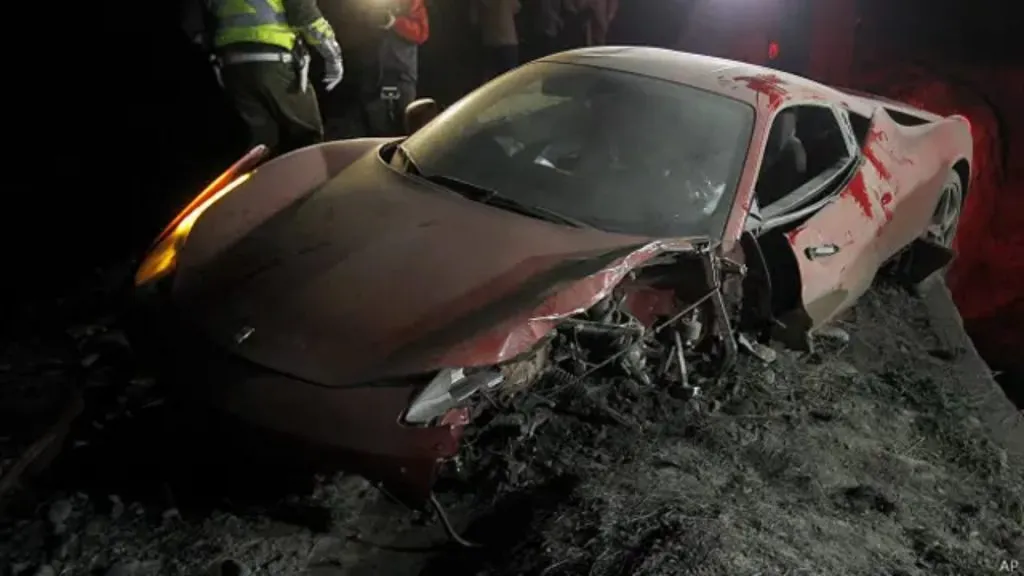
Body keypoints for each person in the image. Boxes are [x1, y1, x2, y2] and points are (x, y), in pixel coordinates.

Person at [184, 0, 345, 155]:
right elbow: (306, 16)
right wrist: (333, 58)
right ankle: (312, 181)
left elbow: (193, 26)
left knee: (261, 143)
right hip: (275, 63)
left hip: (232, 69)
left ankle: (263, 180)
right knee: (305, 136)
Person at [361, 0, 430, 136]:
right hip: (376, 72)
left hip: (402, 72)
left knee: (406, 119)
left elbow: (422, 33)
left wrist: (395, 23)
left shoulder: (411, 3)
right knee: (378, 121)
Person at [470, 0, 521, 81]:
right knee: (511, 80)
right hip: (508, 40)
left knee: (492, 82)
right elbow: (516, 8)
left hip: (489, 41)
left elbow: (474, 21)